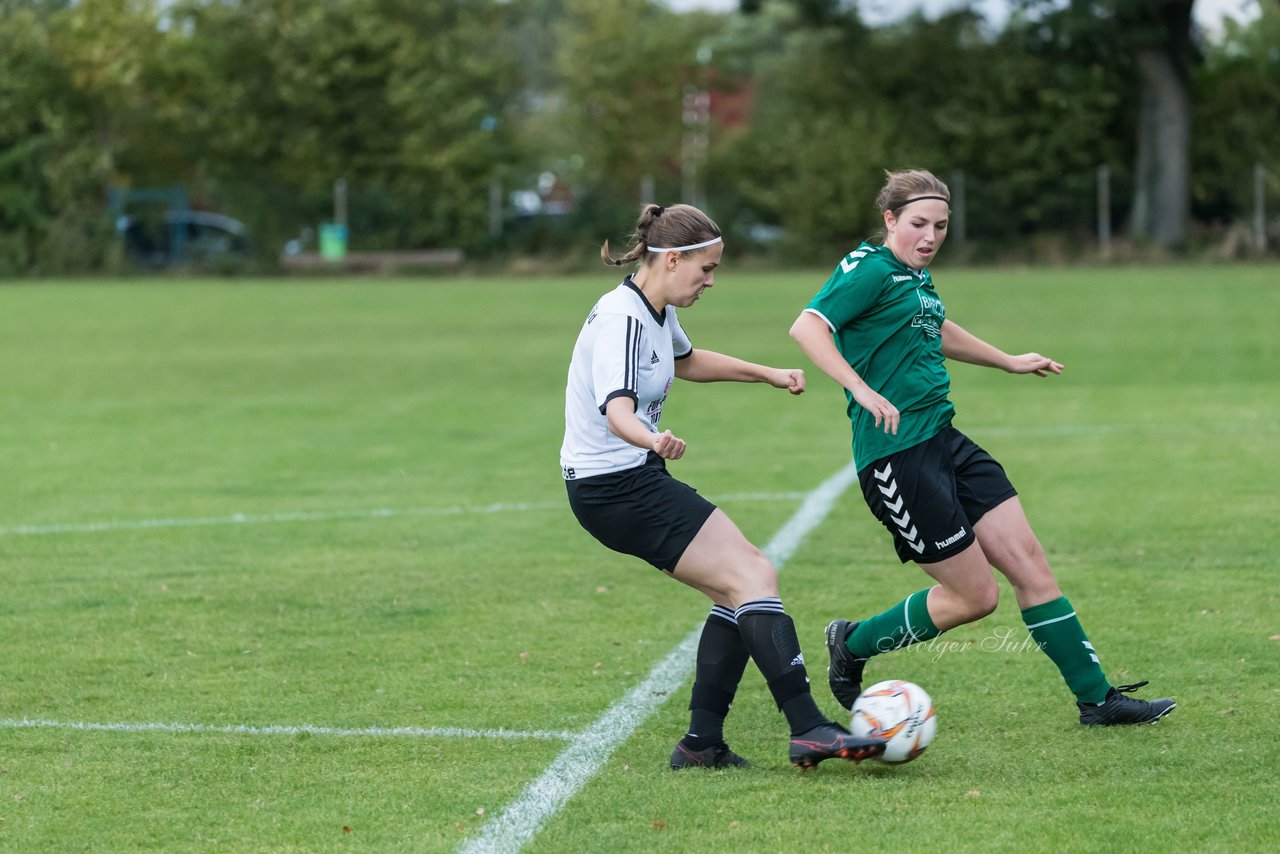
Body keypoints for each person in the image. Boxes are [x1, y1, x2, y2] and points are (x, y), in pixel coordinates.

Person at [788, 169, 1176, 727]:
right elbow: (807, 328)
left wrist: (1007, 359)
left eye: (941, 226)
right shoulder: (868, 268)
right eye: (918, 224)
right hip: (897, 457)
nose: (930, 236)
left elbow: (934, 327)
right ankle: (852, 642)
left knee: (1030, 564)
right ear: (890, 220)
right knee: (975, 598)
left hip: (946, 440)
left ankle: (1098, 700)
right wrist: (860, 387)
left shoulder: (914, 277)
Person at [561, 203, 886, 769]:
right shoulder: (624, 320)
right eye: (704, 269)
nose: (711, 281)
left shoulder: (652, 309)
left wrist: (767, 373)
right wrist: (650, 439)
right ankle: (808, 727)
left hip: (625, 479)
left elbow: (686, 361)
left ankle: (701, 744)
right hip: (614, 485)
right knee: (751, 576)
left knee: (735, 591)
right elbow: (616, 410)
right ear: (671, 259)